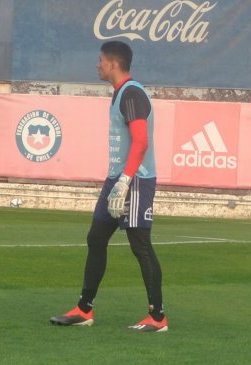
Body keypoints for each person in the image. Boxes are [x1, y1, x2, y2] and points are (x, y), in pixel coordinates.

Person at [50, 40, 166, 332]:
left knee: (140, 245)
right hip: (118, 179)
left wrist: (126, 181)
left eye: (100, 59)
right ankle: (84, 309)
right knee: (96, 238)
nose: (97, 64)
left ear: (113, 63)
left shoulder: (132, 93)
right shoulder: (120, 94)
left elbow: (141, 142)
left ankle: (158, 317)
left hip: (135, 180)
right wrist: (117, 181)